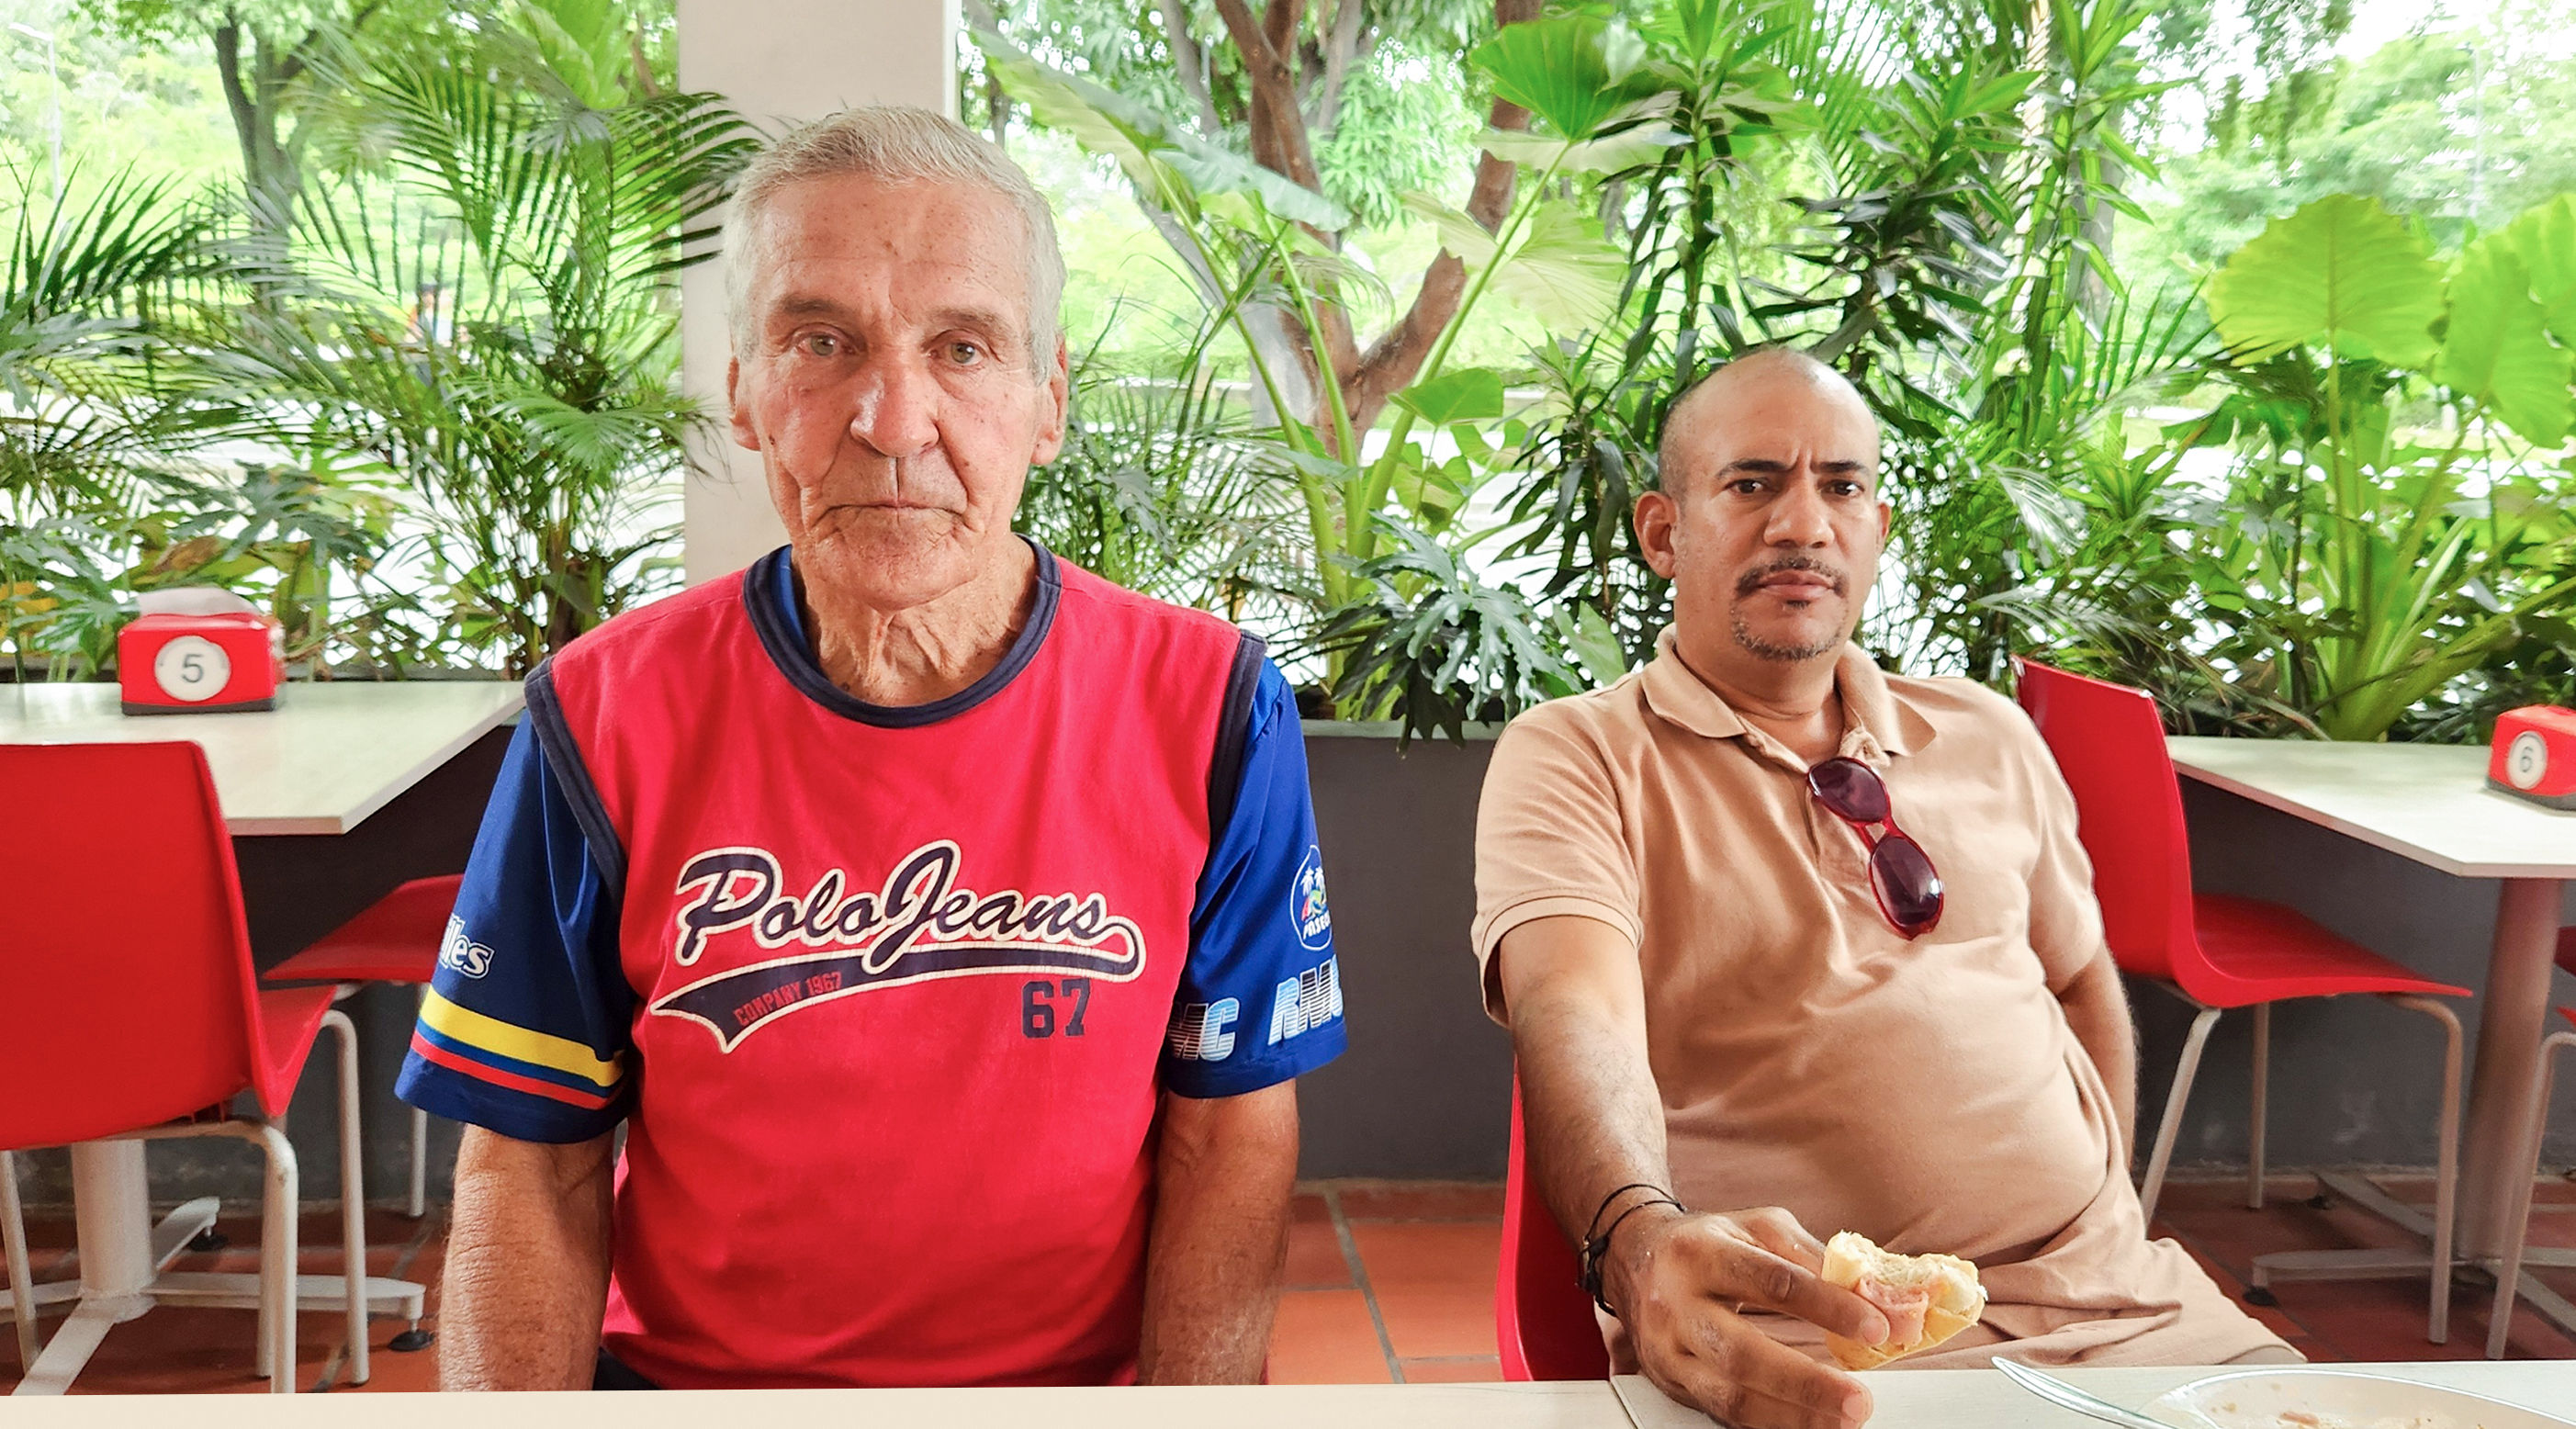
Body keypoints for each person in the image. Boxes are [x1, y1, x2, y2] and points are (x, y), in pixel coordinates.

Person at [397, 106, 1347, 1391]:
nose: (893, 421)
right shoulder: (603, 714)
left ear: (1047, 400)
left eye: (961, 348)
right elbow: (532, 1158)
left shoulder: (1213, 708)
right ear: (742, 390)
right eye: (819, 342)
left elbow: (1226, 1139)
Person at [1471, 350, 2289, 1429]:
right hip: (1810, 1337)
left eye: (1842, 486)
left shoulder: (1989, 733)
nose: (1803, 523)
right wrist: (1639, 1239)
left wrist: (2111, 1215)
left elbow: (2082, 974)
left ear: (1877, 527)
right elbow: (1573, 1016)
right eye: (1753, 482)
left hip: (2135, 1310)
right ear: (1664, 532)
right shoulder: (1580, 755)